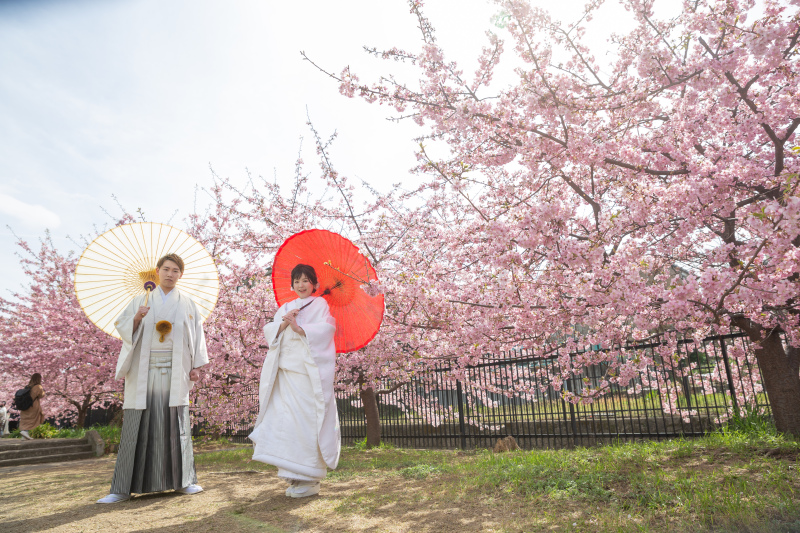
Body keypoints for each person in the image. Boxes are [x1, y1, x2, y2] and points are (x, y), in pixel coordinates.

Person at [97, 253, 209, 504]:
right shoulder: (140, 300)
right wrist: (137, 318)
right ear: (157, 271)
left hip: (175, 369)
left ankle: (183, 482)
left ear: (181, 275)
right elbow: (122, 325)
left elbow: (197, 337)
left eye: (175, 271)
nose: (170, 274)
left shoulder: (189, 303)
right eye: (166, 269)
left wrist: (196, 366)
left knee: (175, 423)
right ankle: (122, 488)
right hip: (144, 370)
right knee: (138, 422)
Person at [250, 264, 340, 498]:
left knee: (306, 421)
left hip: (306, 374)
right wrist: (283, 322)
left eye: (306, 281)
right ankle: (292, 473)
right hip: (286, 373)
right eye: (297, 281)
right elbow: (271, 331)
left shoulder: (320, 304)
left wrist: (301, 329)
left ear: (315, 284)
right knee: (286, 421)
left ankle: (310, 477)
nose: (301, 285)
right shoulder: (286, 306)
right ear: (292, 285)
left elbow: (327, 329)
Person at [19, 373, 45, 440]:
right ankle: (24, 431)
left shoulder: (28, 386)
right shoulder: (38, 386)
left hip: (25, 405)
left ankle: (24, 435)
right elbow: (41, 395)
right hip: (33, 405)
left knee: (25, 419)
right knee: (32, 419)